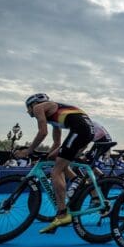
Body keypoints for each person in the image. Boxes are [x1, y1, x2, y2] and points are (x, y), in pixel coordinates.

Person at [14, 93, 94, 234]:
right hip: (86, 130)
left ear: (33, 104)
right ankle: (78, 181)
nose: (28, 111)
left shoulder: (39, 107)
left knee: (56, 171)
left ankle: (62, 213)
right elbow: (57, 142)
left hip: (80, 130)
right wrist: (48, 156)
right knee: (57, 161)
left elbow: (42, 132)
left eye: (28, 108)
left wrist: (28, 150)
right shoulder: (54, 115)